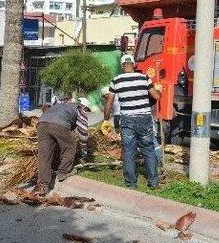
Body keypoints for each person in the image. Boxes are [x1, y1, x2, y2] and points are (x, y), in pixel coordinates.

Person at [103, 54, 162, 189]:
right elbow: (156, 97)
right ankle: (153, 182)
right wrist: (159, 90)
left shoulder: (116, 80)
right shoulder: (144, 78)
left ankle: (131, 184)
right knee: (148, 149)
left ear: (122, 65)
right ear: (134, 65)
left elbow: (109, 103)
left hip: (127, 119)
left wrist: (106, 120)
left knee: (129, 151)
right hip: (144, 118)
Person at [34, 98, 90, 195]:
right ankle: (63, 172)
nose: (87, 112)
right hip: (59, 125)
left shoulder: (60, 105)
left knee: (44, 155)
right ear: (84, 106)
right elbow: (83, 133)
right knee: (70, 146)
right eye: (87, 110)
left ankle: (43, 185)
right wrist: (84, 149)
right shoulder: (80, 110)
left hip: (42, 124)